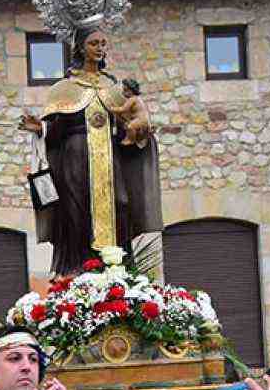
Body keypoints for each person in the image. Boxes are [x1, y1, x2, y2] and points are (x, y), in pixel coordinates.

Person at [18, 28, 162, 275]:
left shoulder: (115, 87)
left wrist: (140, 133)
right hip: (75, 160)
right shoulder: (64, 88)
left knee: (121, 203)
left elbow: (126, 126)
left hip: (110, 160)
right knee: (77, 213)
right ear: (80, 48)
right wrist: (41, 128)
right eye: (94, 43)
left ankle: (118, 270)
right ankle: (79, 273)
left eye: (103, 43)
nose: (100, 48)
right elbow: (57, 130)